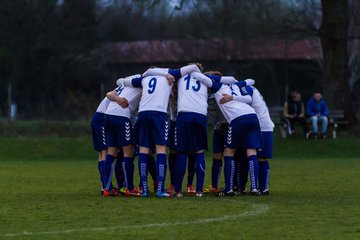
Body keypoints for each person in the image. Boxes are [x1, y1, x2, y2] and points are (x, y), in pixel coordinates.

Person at [123, 64, 201, 197]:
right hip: (158, 114)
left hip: (143, 114)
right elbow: (193, 67)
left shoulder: (144, 77)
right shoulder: (171, 73)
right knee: (161, 149)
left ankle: (145, 190)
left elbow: (123, 81)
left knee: (143, 149)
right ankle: (160, 189)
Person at [192, 72, 262, 196]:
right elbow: (251, 81)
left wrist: (191, 70)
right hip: (252, 116)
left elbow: (203, 78)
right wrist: (234, 94)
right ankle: (255, 188)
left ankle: (229, 189)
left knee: (229, 152)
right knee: (251, 152)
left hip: (237, 119)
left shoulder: (217, 87)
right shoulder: (235, 85)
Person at [102, 75, 143, 197]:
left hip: (108, 116)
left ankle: (107, 188)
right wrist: (119, 100)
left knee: (111, 152)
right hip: (121, 117)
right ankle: (129, 188)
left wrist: (117, 98)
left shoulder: (125, 85)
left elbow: (109, 94)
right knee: (128, 150)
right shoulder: (141, 83)